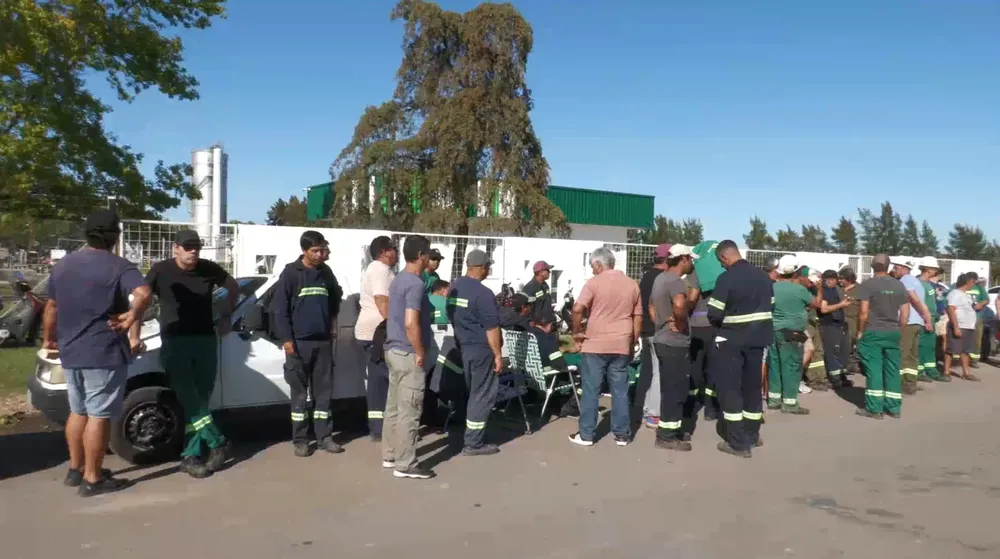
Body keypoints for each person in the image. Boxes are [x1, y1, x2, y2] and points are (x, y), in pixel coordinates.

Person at [42, 210, 151, 496]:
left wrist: (48, 339)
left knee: (78, 411)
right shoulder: (119, 266)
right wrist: (130, 317)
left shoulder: (64, 265)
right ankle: (93, 479)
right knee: (99, 415)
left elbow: (51, 307)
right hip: (102, 351)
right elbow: (143, 293)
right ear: (114, 236)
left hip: (71, 350)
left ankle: (76, 470)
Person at [141, 230, 240, 476]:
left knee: (201, 398)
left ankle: (191, 455)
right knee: (188, 396)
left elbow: (232, 286)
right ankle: (218, 442)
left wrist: (226, 314)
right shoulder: (161, 270)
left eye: (196, 247)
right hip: (176, 341)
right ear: (175, 248)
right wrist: (133, 327)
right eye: (188, 247)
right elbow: (141, 297)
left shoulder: (208, 269)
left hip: (205, 339)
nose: (193, 251)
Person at [272, 231, 344, 457]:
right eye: (315, 250)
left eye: (322, 249)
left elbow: (335, 298)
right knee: (300, 395)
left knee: (323, 393)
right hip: (298, 345)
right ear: (304, 251)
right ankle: (300, 440)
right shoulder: (292, 273)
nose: (319, 254)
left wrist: (330, 325)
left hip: (322, 343)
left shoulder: (325, 272)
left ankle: (324, 437)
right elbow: (279, 309)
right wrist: (287, 340)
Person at [706, 240, 773, 458]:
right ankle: (752, 436)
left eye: (720, 261)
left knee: (731, 389)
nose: (722, 265)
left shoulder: (726, 278)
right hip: (759, 339)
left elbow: (714, 313)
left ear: (725, 257)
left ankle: (737, 442)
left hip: (732, 341)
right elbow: (771, 305)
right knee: (753, 388)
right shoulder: (763, 277)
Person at [569, 247, 641, 447]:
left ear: (599, 264)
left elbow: (577, 309)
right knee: (620, 389)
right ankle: (622, 435)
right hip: (621, 343)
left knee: (591, 389)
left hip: (595, 344)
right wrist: (633, 340)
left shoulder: (593, 283)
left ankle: (586, 434)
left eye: (593, 266)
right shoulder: (632, 284)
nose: (592, 270)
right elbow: (637, 316)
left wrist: (576, 332)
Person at [382, 235, 436, 479]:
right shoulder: (415, 284)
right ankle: (405, 464)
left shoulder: (398, 280)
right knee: (410, 410)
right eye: (428, 254)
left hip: (392, 349)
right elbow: (411, 323)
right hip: (407, 352)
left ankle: (390, 453)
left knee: (393, 407)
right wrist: (420, 351)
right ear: (422, 255)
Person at [447, 249, 504, 456]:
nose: (489, 270)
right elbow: (492, 328)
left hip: (464, 348)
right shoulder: (483, 293)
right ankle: (473, 442)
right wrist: (498, 355)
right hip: (481, 351)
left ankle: (471, 434)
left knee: (473, 393)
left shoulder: (455, 288)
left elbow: (451, 316)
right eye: (488, 266)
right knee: (482, 396)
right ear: (481, 267)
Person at [647, 244, 698, 450]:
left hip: (661, 338)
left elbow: (651, 305)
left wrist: (660, 322)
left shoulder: (660, 278)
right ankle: (667, 435)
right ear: (683, 259)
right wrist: (680, 323)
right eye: (691, 259)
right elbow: (679, 305)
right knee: (676, 390)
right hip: (674, 343)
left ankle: (671, 430)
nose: (692, 263)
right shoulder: (676, 282)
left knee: (669, 387)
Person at [854, 254, 909, 420]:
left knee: (874, 369)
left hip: (874, 331)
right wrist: (898, 327)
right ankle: (893, 408)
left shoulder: (867, 285)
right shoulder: (898, 285)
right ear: (888, 266)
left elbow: (863, 312)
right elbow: (905, 313)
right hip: (893, 331)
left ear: (872, 266)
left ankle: (874, 408)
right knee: (892, 369)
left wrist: (860, 331)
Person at [356, 236, 397, 441]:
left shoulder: (375, 269)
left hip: (371, 332)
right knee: (383, 380)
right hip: (377, 332)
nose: (396, 253)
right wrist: (395, 327)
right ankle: (381, 429)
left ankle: (378, 428)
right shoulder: (380, 269)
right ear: (384, 252)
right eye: (394, 249)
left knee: (377, 380)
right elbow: (382, 300)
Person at [769, 255, 820, 415]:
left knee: (775, 365)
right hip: (792, 333)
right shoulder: (799, 290)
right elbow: (815, 304)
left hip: (773, 331)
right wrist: (819, 288)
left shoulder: (772, 287)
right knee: (791, 366)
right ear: (796, 272)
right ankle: (790, 403)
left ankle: (774, 400)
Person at [636, 244, 668, 429]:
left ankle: (643, 409)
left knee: (646, 371)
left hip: (645, 330)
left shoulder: (646, 276)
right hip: (657, 330)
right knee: (658, 372)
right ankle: (654, 415)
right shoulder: (662, 278)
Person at [891, 258, 933, 395]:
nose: (893, 270)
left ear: (904, 268)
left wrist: (922, 313)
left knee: (902, 353)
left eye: (896, 268)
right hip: (917, 322)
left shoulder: (906, 280)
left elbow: (913, 298)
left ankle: (901, 383)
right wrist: (927, 318)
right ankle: (911, 382)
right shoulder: (917, 282)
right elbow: (923, 302)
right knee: (912, 354)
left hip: (907, 322)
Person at [818, 269, 853, 389]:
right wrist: (841, 305)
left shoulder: (835, 289)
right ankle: (835, 379)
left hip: (839, 324)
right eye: (835, 280)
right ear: (829, 280)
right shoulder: (824, 290)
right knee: (832, 353)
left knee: (842, 351)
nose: (837, 282)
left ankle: (842, 376)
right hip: (829, 324)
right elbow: (824, 309)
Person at [944, 273, 979, 382]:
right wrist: (956, 327)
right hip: (959, 326)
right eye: (973, 282)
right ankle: (946, 372)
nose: (974, 284)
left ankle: (966, 372)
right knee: (951, 349)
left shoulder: (966, 295)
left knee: (966, 350)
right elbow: (951, 310)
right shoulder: (955, 294)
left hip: (968, 327)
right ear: (967, 282)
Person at [916, 257, 947, 382]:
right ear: (928, 269)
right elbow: (919, 304)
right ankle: (919, 371)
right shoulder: (918, 283)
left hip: (932, 319)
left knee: (930, 347)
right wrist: (926, 319)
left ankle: (931, 370)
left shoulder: (929, 284)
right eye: (934, 269)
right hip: (923, 320)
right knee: (920, 346)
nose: (936, 271)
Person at [838, 267, 862, 374]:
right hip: (838, 320)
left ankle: (849, 365)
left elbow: (865, 308)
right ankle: (842, 366)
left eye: (842, 279)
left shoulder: (860, 289)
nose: (840, 281)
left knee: (849, 343)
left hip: (853, 321)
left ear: (849, 279)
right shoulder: (837, 288)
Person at [965, 274, 991, 367]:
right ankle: (960, 358)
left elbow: (986, 300)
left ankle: (974, 360)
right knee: (963, 338)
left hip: (977, 316)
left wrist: (981, 304)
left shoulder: (979, 288)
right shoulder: (960, 286)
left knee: (976, 339)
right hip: (963, 317)